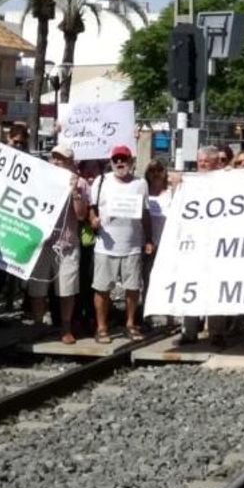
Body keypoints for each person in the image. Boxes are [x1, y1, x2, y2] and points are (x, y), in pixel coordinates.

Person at [88, 145, 153, 343]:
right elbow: (92, 208)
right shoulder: (101, 181)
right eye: (115, 159)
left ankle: (131, 324)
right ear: (111, 162)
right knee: (102, 288)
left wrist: (149, 238)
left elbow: (145, 213)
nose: (119, 162)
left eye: (123, 159)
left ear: (131, 161)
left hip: (132, 244)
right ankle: (101, 328)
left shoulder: (140, 183)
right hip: (105, 246)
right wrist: (93, 220)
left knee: (132, 288)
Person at [27, 144, 88, 345]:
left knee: (67, 290)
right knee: (38, 289)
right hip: (42, 243)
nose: (56, 161)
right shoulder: (42, 179)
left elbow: (81, 216)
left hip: (67, 244)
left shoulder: (81, 183)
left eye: (61, 158)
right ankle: (38, 325)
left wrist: (75, 193)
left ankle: (66, 327)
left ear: (71, 162)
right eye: (54, 157)